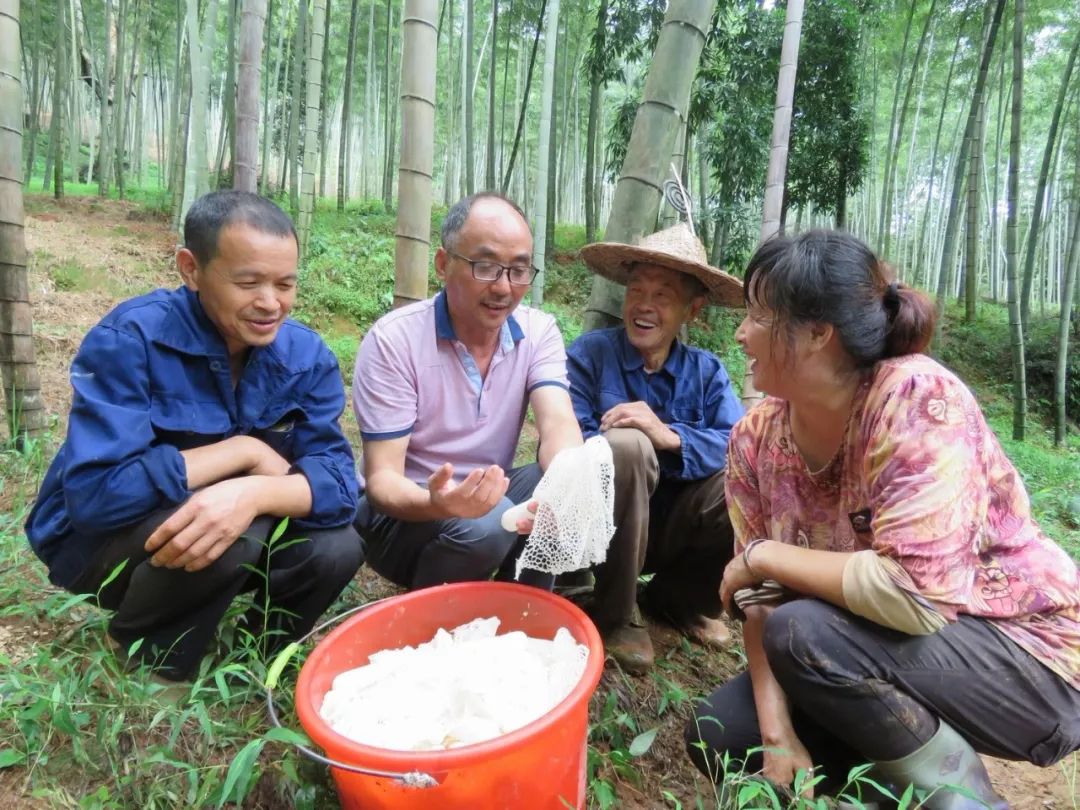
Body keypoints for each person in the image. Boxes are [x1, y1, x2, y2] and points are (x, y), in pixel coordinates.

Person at [685, 230, 1080, 808]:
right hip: (870, 651)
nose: (741, 333)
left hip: (1027, 658)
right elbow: (760, 602)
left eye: (758, 317)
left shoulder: (916, 398)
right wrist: (778, 734)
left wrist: (763, 555)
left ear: (819, 333)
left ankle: (963, 799)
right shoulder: (754, 441)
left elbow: (915, 596)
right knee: (724, 732)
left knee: (805, 631)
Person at [25, 191, 364, 684]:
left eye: (285, 283)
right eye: (248, 282)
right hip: (101, 548)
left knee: (338, 545)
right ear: (191, 268)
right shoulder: (132, 339)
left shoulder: (304, 356)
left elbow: (339, 486)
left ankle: (257, 663)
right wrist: (242, 452)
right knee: (231, 535)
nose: (270, 302)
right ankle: (149, 659)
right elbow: (97, 498)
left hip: (214, 533)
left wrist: (252, 490)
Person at [352, 192, 582, 591]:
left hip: (484, 495)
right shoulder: (396, 339)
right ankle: (430, 625)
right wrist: (436, 503)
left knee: (564, 481)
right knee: (488, 523)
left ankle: (521, 613)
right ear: (444, 264)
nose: (503, 288)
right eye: (486, 266)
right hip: (402, 514)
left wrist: (567, 481)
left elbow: (558, 421)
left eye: (518, 270)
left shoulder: (538, 331)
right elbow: (383, 479)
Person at [568, 223, 745, 674]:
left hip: (672, 530)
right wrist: (635, 445)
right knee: (625, 445)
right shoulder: (589, 356)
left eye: (663, 295)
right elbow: (570, 444)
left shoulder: (707, 373)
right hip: (599, 527)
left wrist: (669, 436)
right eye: (636, 290)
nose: (644, 305)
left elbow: (740, 446)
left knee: (742, 483)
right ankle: (616, 612)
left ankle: (677, 601)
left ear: (692, 309)